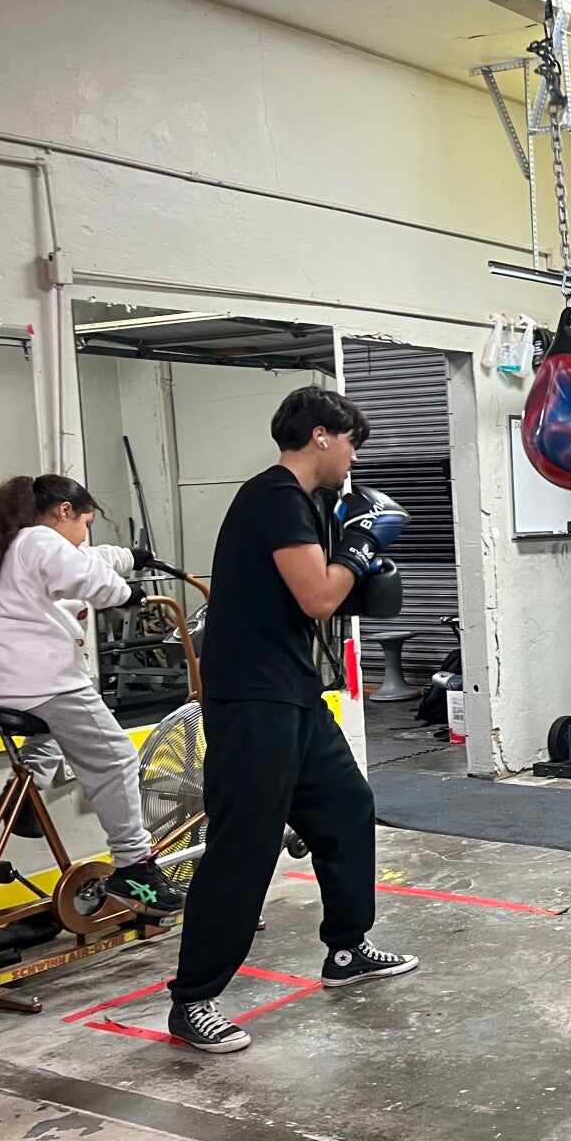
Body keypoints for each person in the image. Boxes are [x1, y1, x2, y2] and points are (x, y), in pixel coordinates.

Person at [166, 385, 416, 1054]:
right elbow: (317, 597)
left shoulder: (303, 504)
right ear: (321, 436)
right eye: (351, 442)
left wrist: (354, 553)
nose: (354, 458)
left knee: (346, 807)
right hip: (253, 696)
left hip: (292, 688)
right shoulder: (274, 496)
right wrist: (358, 549)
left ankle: (347, 949)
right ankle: (193, 1000)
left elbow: (324, 599)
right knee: (246, 842)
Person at [0, 475, 182, 918]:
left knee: (54, 731)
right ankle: (134, 866)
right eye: (86, 523)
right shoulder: (41, 540)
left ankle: (27, 788)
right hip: (37, 678)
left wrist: (130, 557)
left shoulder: (17, 542)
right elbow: (87, 575)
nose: (84, 535)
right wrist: (126, 593)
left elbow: (87, 558)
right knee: (115, 757)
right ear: (64, 511)